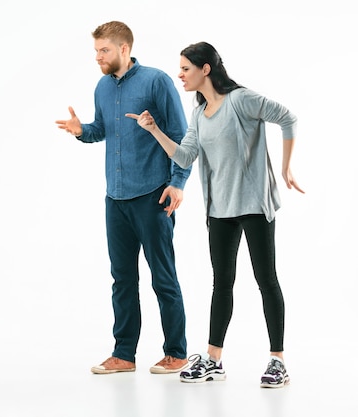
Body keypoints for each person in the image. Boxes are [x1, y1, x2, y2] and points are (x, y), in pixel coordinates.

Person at [125, 41, 304, 388]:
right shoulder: (198, 113)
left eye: (186, 68)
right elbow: (184, 157)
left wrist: (286, 168)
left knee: (266, 280)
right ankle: (214, 360)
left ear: (206, 69)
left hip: (254, 205)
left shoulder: (241, 100)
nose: (180, 74)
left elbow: (288, 118)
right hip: (219, 210)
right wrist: (154, 130)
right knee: (221, 284)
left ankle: (277, 361)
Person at [55, 21, 192, 375]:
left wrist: (177, 183)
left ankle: (176, 352)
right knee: (122, 280)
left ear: (124, 49)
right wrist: (81, 130)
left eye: (104, 50)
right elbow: (102, 130)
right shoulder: (102, 86)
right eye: (96, 50)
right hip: (115, 199)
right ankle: (124, 354)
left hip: (153, 195)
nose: (98, 57)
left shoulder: (156, 81)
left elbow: (182, 138)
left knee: (163, 277)